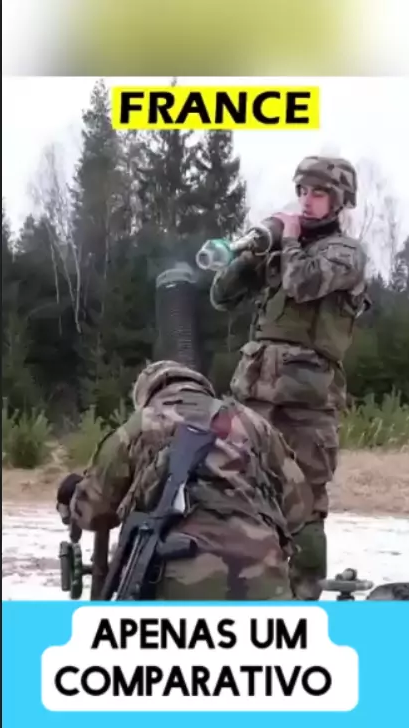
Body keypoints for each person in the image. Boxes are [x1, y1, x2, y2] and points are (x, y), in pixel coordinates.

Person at [209, 156, 370, 600]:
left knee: (305, 503)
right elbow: (221, 296)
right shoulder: (284, 248)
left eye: (318, 193)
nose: (306, 200)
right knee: (236, 490)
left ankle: (302, 599)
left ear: (340, 201)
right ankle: (239, 589)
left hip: (307, 403)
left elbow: (302, 283)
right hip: (252, 395)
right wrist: (249, 254)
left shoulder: (346, 254)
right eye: (302, 191)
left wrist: (290, 239)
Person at [58, 360, 314, 601]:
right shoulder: (254, 424)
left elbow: (92, 512)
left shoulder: (140, 425)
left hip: (177, 586)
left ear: (147, 395)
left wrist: (72, 497)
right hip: (265, 583)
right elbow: (299, 509)